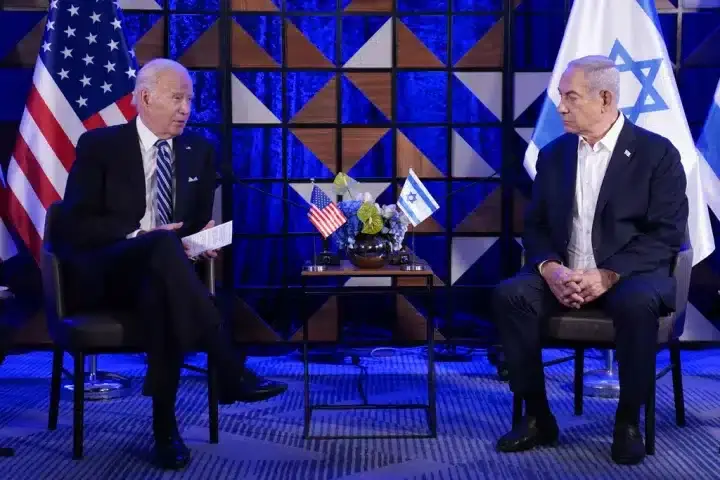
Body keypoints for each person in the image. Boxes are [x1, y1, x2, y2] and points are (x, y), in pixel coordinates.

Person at [51, 58, 288, 470]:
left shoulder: (199, 152)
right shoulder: (100, 146)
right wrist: (139, 236)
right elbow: (74, 225)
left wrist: (201, 241)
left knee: (162, 287)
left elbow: (191, 226)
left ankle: (166, 430)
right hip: (106, 271)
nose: (186, 109)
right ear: (145, 98)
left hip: (163, 276)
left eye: (189, 100)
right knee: (160, 246)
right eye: (177, 98)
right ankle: (227, 369)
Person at [492, 55, 687, 466]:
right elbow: (536, 228)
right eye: (560, 97)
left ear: (605, 99)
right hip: (565, 272)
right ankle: (538, 417)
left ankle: (627, 422)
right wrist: (551, 269)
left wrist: (608, 274)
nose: (561, 107)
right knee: (511, 295)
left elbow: (666, 234)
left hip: (629, 275)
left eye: (570, 97)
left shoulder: (658, 154)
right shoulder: (553, 155)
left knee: (637, 304)